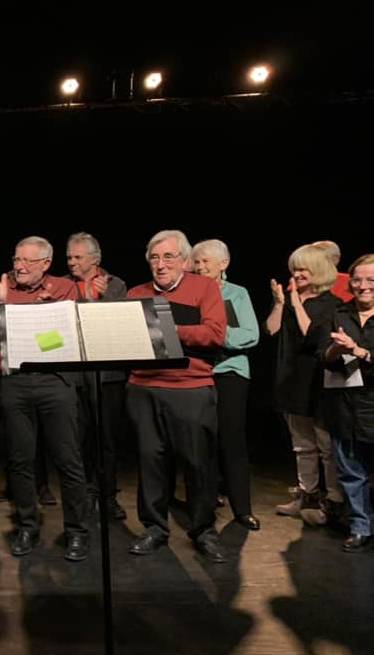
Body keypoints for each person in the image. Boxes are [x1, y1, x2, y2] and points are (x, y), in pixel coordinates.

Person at [0, 236, 89, 561]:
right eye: (17, 259)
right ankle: (27, 526)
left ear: (46, 264)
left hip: (54, 382)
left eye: (28, 261)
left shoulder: (62, 289)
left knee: (67, 459)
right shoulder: (4, 287)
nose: (19, 266)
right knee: (20, 459)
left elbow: (69, 335)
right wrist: (2, 302)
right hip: (16, 382)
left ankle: (76, 531)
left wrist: (48, 312)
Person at [126, 229, 228, 562]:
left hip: (191, 389)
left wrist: (164, 329)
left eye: (169, 257)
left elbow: (214, 334)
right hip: (144, 387)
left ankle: (203, 530)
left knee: (198, 463)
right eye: (154, 257)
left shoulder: (205, 288)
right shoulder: (135, 294)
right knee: (150, 460)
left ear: (184, 260)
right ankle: (154, 527)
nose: (161, 264)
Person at [268, 243, 344, 522]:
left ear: (319, 270)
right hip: (292, 383)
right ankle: (307, 494)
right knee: (302, 445)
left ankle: (334, 500)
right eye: (294, 268)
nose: (297, 274)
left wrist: (296, 303)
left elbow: (310, 334)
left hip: (318, 384)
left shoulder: (332, 305)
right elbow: (272, 329)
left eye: (303, 269)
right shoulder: (291, 300)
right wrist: (280, 303)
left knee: (326, 446)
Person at [192, 239, 261, 530]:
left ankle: (242, 509)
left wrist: (216, 334)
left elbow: (251, 334)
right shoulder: (189, 293)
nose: (199, 266)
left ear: (224, 264)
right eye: (196, 262)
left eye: (205, 261)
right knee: (199, 443)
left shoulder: (237, 294)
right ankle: (203, 504)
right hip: (197, 372)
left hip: (230, 371)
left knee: (231, 440)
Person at [64, 231, 129, 521]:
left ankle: (108, 496)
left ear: (95, 259)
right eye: (69, 257)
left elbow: (115, 328)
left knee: (107, 440)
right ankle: (84, 496)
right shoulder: (63, 286)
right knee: (78, 441)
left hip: (107, 377)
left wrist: (97, 301)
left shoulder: (115, 285)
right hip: (74, 376)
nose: (72, 262)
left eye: (78, 257)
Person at [318, 254, 374, 551]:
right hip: (344, 404)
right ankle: (361, 526)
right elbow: (322, 358)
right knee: (351, 471)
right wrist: (335, 352)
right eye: (357, 280)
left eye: (371, 280)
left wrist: (360, 352)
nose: (363, 286)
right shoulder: (339, 314)